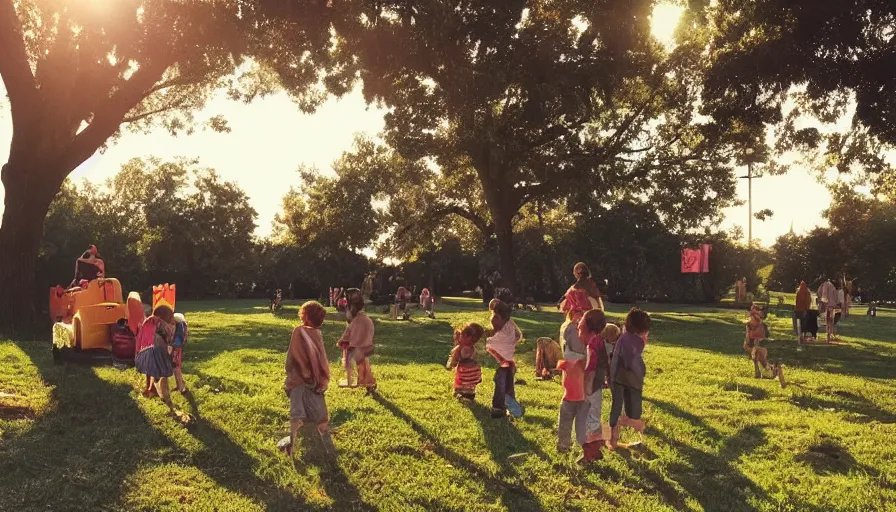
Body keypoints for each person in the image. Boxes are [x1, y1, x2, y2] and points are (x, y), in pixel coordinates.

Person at [279, 301, 332, 458]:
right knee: (321, 418)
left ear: (306, 316)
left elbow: (294, 357)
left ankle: (292, 448)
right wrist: (316, 378)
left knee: (297, 415)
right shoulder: (317, 334)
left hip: (299, 380)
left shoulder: (299, 331)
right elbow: (321, 359)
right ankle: (328, 450)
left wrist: (303, 373)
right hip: (315, 381)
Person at [134, 301, 191, 423]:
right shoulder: (160, 323)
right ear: (166, 318)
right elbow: (172, 340)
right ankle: (170, 407)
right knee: (163, 377)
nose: (172, 321)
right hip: (157, 355)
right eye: (170, 318)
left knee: (152, 372)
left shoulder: (150, 322)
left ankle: (149, 389)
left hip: (144, 354)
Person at [609, 308, 649, 449]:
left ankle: (613, 440)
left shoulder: (624, 337)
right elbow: (632, 360)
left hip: (616, 377)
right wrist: (641, 372)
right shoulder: (635, 340)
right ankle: (634, 425)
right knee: (633, 410)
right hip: (629, 379)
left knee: (616, 406)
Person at [580, 309, 610, 463]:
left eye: (581, 325)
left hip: (590, 387)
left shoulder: (591, 344)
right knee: (594, 418)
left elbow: (590, 367)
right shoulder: (599, 340)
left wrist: (585, 387)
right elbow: (605, 361)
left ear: (587, 327)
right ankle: (596, 449)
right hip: (597, 387)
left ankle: (589, 455)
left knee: (586, 421)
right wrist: (607, 379)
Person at [486, 301, 523, 418]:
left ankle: (500, 407)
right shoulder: (509, 325)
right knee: (507, 384)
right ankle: (506, 408)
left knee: (502, 383)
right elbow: (518, 335)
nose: (495, 328)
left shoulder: (506, 326)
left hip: (504, 362)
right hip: (507, 361)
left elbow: (490, 345)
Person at [337, 289, 377, 393]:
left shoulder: (353, 310)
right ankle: (367, 382)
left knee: (355, 358)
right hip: (361, 332)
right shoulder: (360, 312)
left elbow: (350, 323)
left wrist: (345, 340)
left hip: (358, 335)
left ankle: (365, 381)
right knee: (360, 358)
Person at [446, 323, 485, 400]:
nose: (460, 337)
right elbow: (476, 358)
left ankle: (460, 393)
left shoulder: (460, 348)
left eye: (462, 335)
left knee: (461, 382)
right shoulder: (473, 348)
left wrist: (451, 365)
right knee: (470, 382)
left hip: (464, 370)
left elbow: (455, 359)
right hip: (473, 370)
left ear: (469, 338)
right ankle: (470, 393)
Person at [171, 313, 189, 393]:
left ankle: (181, 386)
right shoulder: (182, 328)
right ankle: (178, 385)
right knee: (175, 368)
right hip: (178, 350)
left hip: (176, 351)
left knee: (176, 368)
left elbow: (177, 344)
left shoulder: (178, 334)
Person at [817, 278, 838, 343]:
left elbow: (822, 294)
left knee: (827, 320)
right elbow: (835, 296)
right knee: (831, 320)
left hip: (827, 305)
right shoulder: (833, 287)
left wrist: (822, 302)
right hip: (832, 305)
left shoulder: (824, 285)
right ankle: (830, 334)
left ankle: (828, 336)